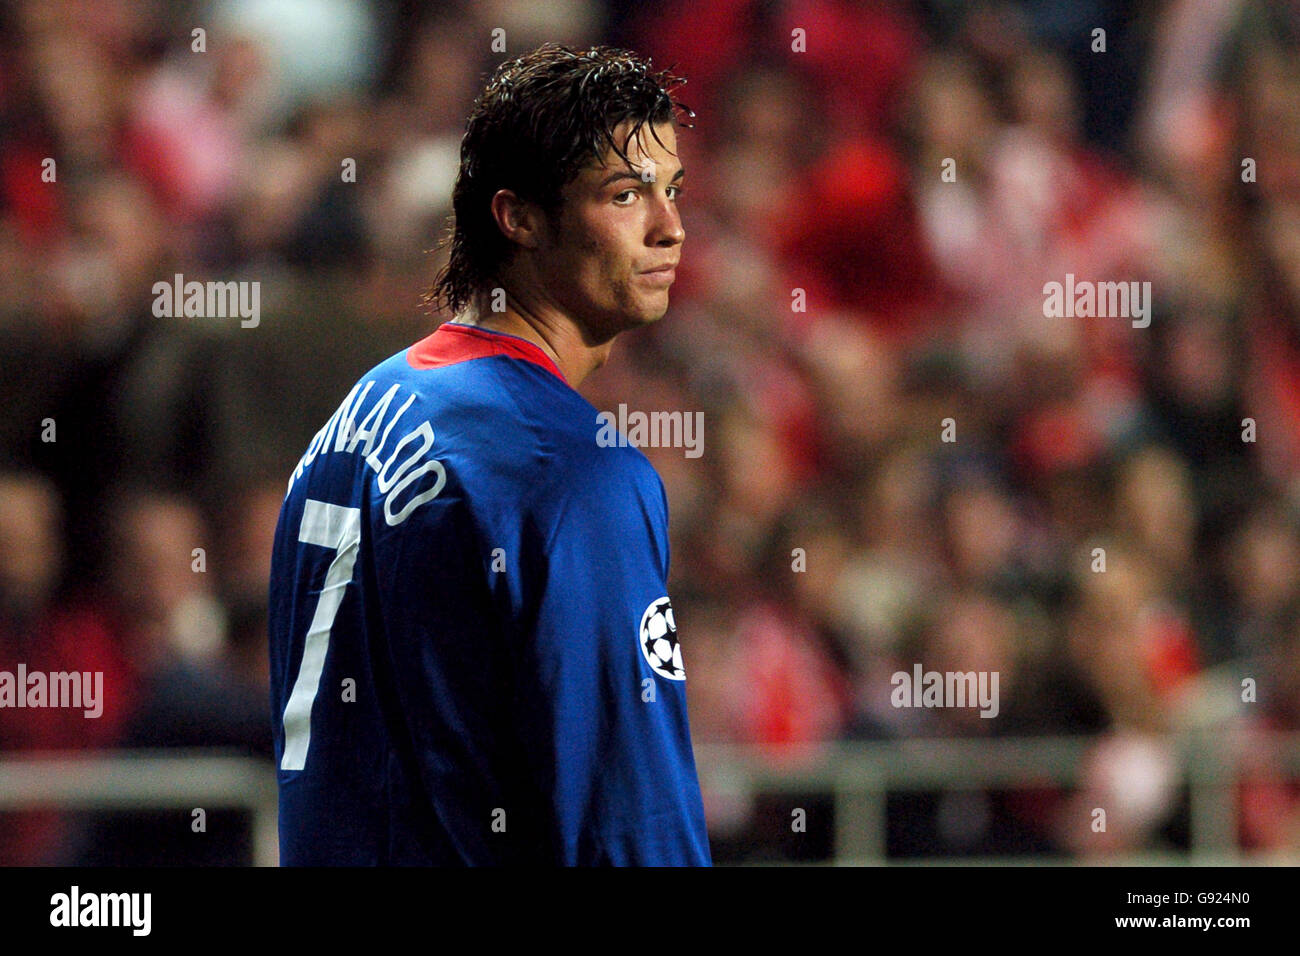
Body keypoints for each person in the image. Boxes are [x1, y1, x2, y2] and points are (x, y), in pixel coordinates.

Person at [268, 43, 711, 865]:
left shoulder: (357, 414)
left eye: (672, 188)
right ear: (519, 217)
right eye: (626, 194)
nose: (670, 227)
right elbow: (631, 817)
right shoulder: (573, 475)